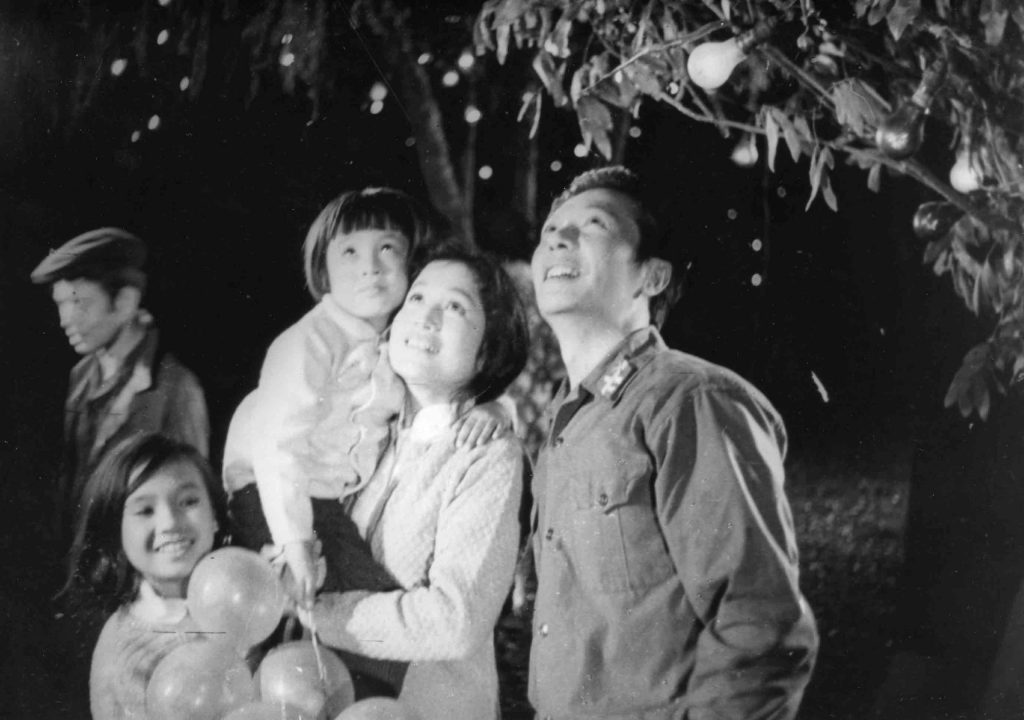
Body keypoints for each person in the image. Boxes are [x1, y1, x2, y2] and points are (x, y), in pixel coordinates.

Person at [527, 166, 819, 720]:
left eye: (593, 225)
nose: (557, 239)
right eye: (549, 230)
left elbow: (759, 623)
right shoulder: (566, 424)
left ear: (652, 277)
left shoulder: (689, 402)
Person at [222, 188, 508, 610]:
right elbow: (275, 444)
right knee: (360, 599)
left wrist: (493, 404)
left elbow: (433, 400)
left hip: (325, 503)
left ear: (409, 263)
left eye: (387, 248)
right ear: (324, 270)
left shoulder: (395, 345)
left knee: (362, 596)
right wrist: (294, 541)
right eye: (349, 252)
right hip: (272, 495)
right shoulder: (310, 341)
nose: (370, 267)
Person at [299, 245, 529, 720]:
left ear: (487, 351)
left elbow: (455, 622)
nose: (427, 316)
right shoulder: (359, 424)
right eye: (417, 298)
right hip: (326, 698)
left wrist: (315, 612)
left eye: (456, 306)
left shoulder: (485, 454)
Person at [30, 227, 210, 546]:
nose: (65, 319)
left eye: (79, 303)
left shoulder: (176, 388)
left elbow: (191, 505)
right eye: (61, 304)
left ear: (125, 302)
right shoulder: (81, 376)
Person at [62, 433, 231, 720]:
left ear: (215, 515)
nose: (170, 522)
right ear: (115, 533)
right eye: (145, 510)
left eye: (188, 501)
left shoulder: (245, 596)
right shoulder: (126, 652)